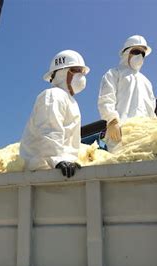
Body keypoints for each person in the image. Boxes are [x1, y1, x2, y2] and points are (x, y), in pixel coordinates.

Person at [20, 50, 90, 178]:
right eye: (77, 70)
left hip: (59, 170)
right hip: (41, 170)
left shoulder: (71, 101)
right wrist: (58, 160)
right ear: (62, 73)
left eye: (83, 72)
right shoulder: (53, 95)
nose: (82, 76)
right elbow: (49, 130)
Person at [98, 35, 156, 151]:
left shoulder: (146, 82)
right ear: (126, 53)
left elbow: (151, 109)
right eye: (136, 51)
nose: (140, 56)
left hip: (144, 134)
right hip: (120, 133)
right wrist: (112, 120)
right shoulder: (114, 73)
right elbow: (106, 99)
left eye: (143, 53)